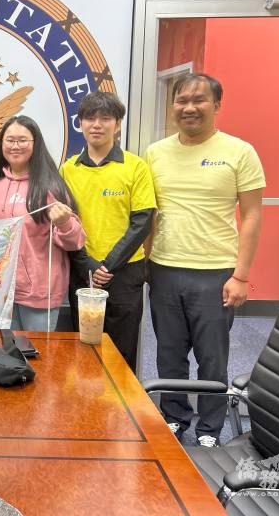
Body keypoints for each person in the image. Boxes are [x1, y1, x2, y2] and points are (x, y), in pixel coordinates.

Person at [145, 73, 264, 448]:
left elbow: (252, 215)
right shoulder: (155, 153)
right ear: (173, 106)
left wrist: (240, 275)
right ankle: (174, 417)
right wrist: (144, 261)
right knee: (169, 354)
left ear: (217, 105)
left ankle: (210, 428)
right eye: (182, 100)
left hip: (215, 273)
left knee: (212, 357)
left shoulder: (239, 152)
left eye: (199, 100)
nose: (189, 107)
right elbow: (150, 213)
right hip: (164, 268)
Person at [59, 92, 156, 371]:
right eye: (90, 118)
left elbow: (142, 221)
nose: (97, 125)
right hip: (83, 270)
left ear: (118, 124)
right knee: (84, 347)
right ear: (80, 123)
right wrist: (87, 264)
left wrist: (107, 266)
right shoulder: (68, 170)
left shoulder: (136, 166)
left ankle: (121, 401)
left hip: (124, 273)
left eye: (105, 118)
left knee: (121, 352)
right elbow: (65, 225)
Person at [0, 116, 84, 331]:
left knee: (36, 352)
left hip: (39, 293)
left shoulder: (51, 186)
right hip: (1, 291)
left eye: (22, 140)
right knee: (5, 350)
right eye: (9, 140)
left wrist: (65, 223)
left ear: (35, 143)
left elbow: (76, 241)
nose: (15, 146)